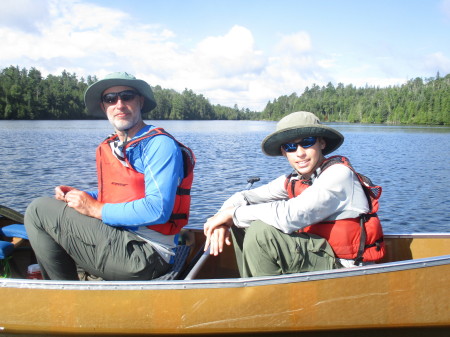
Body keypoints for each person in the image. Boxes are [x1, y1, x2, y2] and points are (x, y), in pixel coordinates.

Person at [24, 72, 195, 281]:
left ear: (140, 101)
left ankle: (63, 296)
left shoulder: (159, 145)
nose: (119, 104)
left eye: (127, 96)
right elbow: (117, 193)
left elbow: (157, 208)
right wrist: (81, 195)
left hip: (146, 254)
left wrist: (95, 208)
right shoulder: (114, 145)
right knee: (55, 206)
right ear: (104, 106)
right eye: (110, 99)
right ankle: (72, 286)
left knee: (38, 211)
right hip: (124, 241)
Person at [204, 111, 385, 277]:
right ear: (284, 152)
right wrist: (220, 219)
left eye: (307, 142)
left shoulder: (339, 175)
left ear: (321, 143)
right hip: (320, 255)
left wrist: (232, 215)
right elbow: (244, 197)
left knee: (261, 232)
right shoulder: (294, 179)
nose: (300, 153)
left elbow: (291, 215)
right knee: (240, 223)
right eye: (291, 146)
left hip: (345, 268)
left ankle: (264, 302)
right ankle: (255, 289)